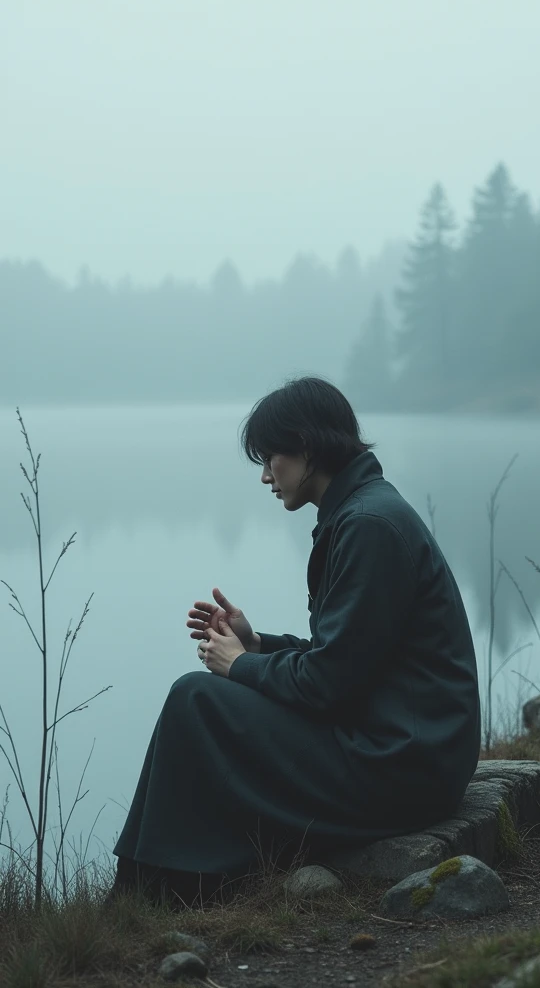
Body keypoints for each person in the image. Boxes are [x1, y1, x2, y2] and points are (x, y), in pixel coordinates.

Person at [109, 376, 480, 906]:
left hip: (405, 766)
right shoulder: (363, 512)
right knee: (199, 699)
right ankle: (159, 886)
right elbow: (352, 657)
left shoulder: (369, 525)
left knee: (198, 697)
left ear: (306, 448)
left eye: (270, 458)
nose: (264, 476)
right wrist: (257, 645)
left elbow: (330, 685)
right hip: (405, 748)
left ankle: (157, 891)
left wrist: (239, 667)